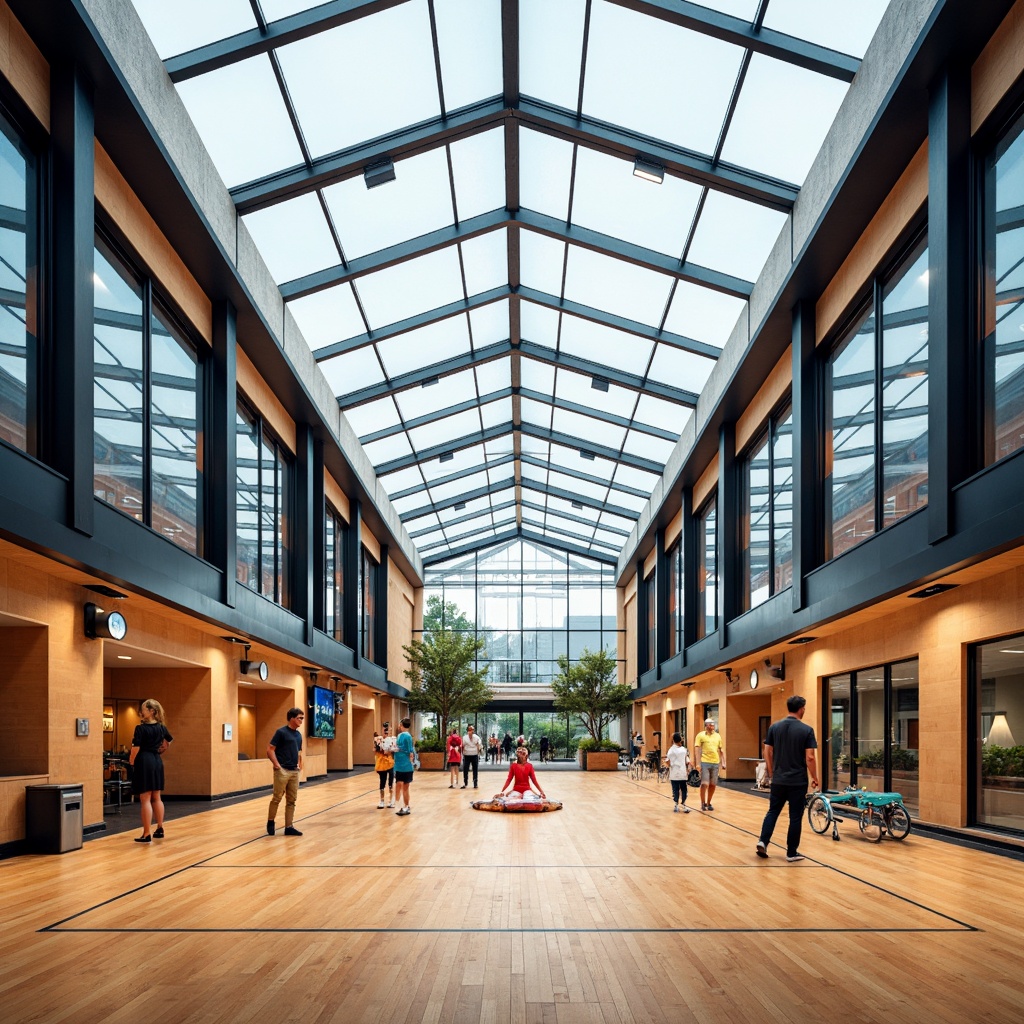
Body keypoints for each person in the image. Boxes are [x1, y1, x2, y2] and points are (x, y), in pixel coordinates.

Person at [756, 695, 820, 862]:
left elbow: (767, 751)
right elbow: (810, 757)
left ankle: (763, 841)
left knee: (773, 811)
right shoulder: (807, 730)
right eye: (804, 708)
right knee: (795, 817)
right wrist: (815, 777)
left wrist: (771, 773)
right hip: (797, 781)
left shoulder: (774, 727)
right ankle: (791, 853)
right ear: (801, 709)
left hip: (778, 780)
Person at [128, 698, 173, 843]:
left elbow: (136, 748)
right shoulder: (161, 727)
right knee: (157, 796)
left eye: (144, 709)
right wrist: (162, 749)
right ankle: (159, 828)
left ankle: (146, 833)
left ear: (151, 711)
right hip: (156, 761)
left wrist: (131, 760)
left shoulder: (140, 729)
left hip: (144, 761)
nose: (141, 712)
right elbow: (169, 741)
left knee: (145, 798)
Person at [267, 707, 304, 836]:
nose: (301, 720)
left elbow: (299, 752)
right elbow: (270, 749)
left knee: (292, 800)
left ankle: (289, 826)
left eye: (302, 718)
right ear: (292, 718)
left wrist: (300, 765)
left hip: (294, 771)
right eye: (300, 718)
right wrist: (277, 765)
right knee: (277, 798)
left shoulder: (299, 735)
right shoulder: (281, 732)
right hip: (282, 770)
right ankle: (271, 821)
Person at [694, 718, 725, 811]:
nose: (712, 727)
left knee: (713, 784)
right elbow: (697, 749)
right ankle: (702, 803)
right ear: (706, 725)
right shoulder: (700, 735)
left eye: (713, 725)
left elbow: (721, 750)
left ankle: (708, 802)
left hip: (715, 762)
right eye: (711, 725)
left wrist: (723, 762)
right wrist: (698, 763)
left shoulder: (718, 736)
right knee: (704, 783)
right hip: (705, 762)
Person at [663, 732, 692, 813]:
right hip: (682, 773)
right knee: (684, 790)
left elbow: (667, 761)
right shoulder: (684, 750)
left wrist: (671, 765)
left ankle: (676, 805)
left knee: (675, 790)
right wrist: (688, 768)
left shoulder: (670, 750)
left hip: (674, 774)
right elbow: (687, 761)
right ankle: (683, 804)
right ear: (680, 740)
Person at [393, 717, 415, 816]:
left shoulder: (405, 736)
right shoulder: (404, 736)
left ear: (402, 725)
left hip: (404, 765)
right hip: (402, 765)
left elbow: (409, 750)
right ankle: (404, 806)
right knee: (404, 786)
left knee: (403, 786)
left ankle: (405, 806)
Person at [374, 723, 396, 808]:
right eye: (384, 730)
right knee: (382, 781)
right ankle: (382, 801)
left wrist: (390, 749)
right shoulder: (378, 739)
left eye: (388, 730)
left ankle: (391, 801)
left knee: (391, 781)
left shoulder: (392, 739)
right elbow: (375, 751)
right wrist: (378, 746)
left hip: (390, 762)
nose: (386, 732)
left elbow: (392, 750)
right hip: (381, 762)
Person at [461, 724, 484, 788]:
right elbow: (462, 745)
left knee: (475, 769)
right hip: (467, 755)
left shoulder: (476, 737)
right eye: (470, 730)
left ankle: (475, 783)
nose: (471, 731)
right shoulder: (465, 738)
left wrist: (479, 749)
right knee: (465, 769)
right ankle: (465, 782)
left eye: (472, 730)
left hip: (474, 755)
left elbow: (479, 744)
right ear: (468, 731)